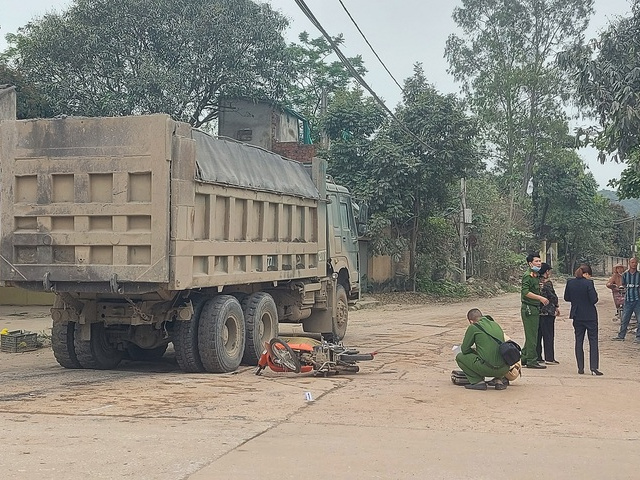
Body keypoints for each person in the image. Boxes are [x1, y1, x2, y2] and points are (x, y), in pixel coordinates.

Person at [455, 308, 510, 390]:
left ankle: (478, 382)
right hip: (504, 369)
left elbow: (465, 349)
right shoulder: (495, 324)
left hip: (487, 368)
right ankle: (499, 381)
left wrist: (474, 352)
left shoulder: (474, 327)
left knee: (460, 357)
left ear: (471, 321)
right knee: (496, 355)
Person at [564, 263, 602, 375]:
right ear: (586, 274)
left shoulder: (570, 282)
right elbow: (594, 299)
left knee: (579, 341)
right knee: (593, 341)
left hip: (577, 315)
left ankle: (580, 368)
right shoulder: (589, 283)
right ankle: (594, 368)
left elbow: (566, 297)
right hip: (590, 315)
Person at [521, 253, 549, 369]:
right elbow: (525, 292)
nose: (539, 263)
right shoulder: (528, 275)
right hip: (529, 308)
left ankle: (524, 357)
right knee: (532, 336)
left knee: (532, 334)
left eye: (539, 261)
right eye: (536, 261)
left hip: (535, 307)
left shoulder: (535, 275)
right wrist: (540, 298)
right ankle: (531, 360)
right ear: (530, 263)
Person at [535, 263, 559, 364]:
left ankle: (538, 357)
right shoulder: (547, 283)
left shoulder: (535, 282)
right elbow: (552, 297)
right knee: (548, 335)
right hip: (548, 312)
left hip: (537, 312)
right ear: (546, 271)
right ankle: (549, 357)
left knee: (538, 336)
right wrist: (556, 306)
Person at [613, 257, 640, 342]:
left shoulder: (639, 275)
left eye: (635, 262)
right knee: (624, 319)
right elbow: (623, 285)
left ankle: (638, 337)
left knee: (639, 320)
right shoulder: (625, 274)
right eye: (632, 262)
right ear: (629, 263)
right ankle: (621, 336)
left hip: (637, 300)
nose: (634, 264)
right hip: (628, 300)